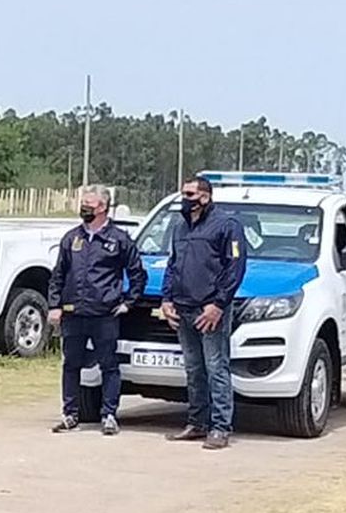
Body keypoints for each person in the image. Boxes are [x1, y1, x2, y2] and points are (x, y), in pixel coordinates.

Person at [48, 184, 147, 435]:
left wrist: (127, 302)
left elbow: (137, 274)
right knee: (71, 364)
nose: (84, 208)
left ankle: (109, 415)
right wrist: (54, 305)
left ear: (103, 207)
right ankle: (70, 414)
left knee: (108, 366)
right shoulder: (72, 238)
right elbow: (58, 275)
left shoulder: (119, 239)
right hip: (73, 313)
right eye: (83, 203)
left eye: (89, 204)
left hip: (104, 315)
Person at [162, 175, 247, 450]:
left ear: (205, 197)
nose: (184, 200)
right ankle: (197, 423)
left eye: (189, 195)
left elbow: (235, 269)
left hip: (210, 310)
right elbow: (172, 264)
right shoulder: (179, 226)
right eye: (182, 194)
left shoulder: (227, 225)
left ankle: (221, 427)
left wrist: (218, 305)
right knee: (193, 369)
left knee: (216, 367)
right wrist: (166, 299)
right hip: (182, 308)